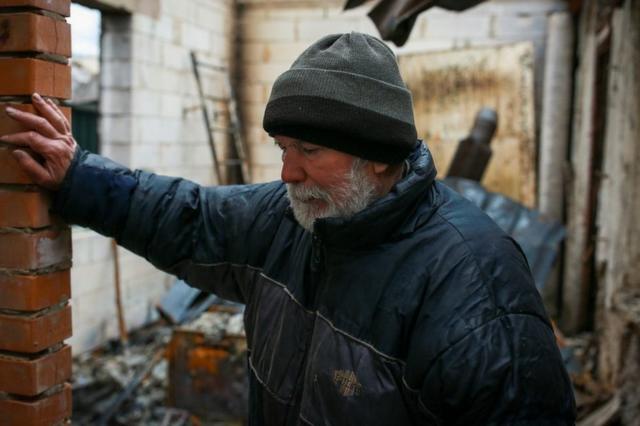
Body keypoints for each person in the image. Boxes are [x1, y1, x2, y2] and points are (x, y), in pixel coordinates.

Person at [2, 32, 576, 425]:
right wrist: (79, 177)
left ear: (378, 157)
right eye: (282, 147)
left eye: (309, 149)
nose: (287, 172)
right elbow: (188, 216)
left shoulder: (475, 289)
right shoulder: (293, 216)